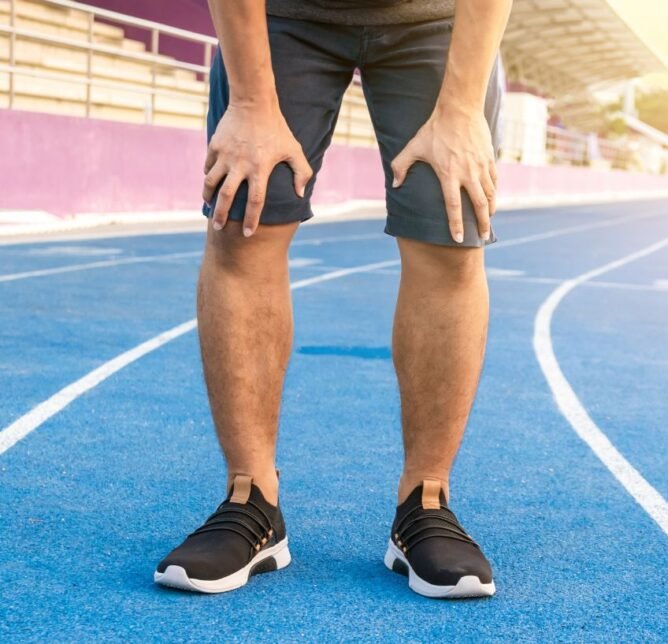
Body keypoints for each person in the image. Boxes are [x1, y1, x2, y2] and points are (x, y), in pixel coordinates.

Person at [153, 0, 511, 599]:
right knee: (244, 222)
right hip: (283, 11)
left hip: (437, 15)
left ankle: (426, 501)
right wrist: (251, 104)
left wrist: (460, 110)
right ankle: (251, 499)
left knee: (449, 229)